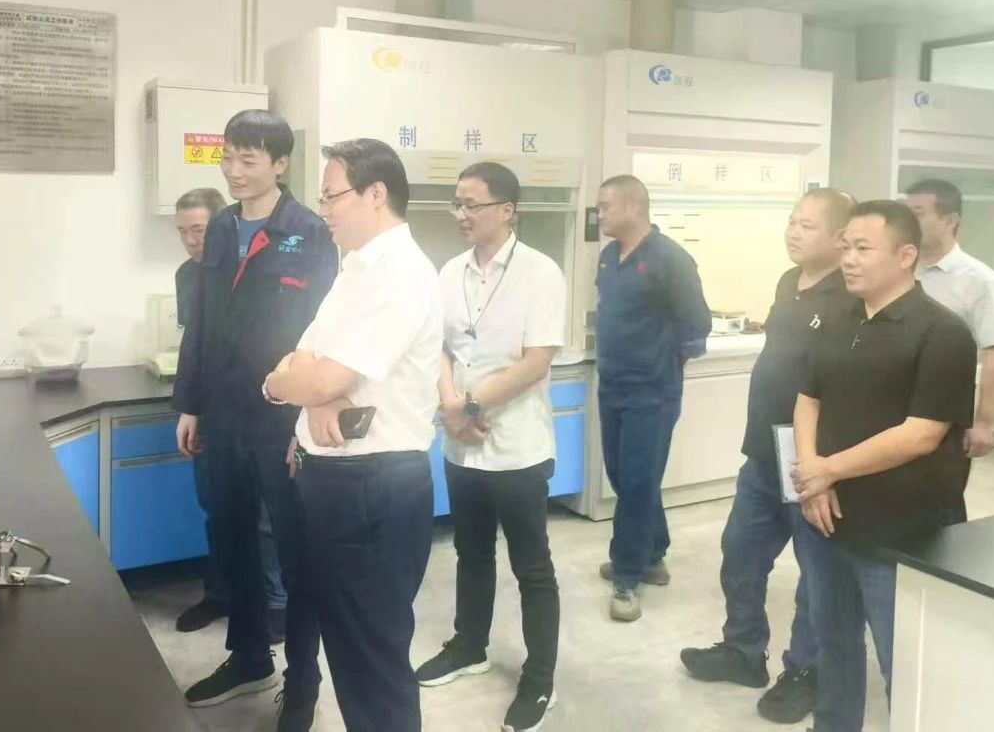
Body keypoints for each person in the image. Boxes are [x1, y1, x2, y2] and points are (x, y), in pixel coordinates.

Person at [263, 139, 442, 732]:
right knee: (350, 645)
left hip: (373, 484)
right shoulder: (357, 269)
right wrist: (311, 388)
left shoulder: (400, 274)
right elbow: (303, 354)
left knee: (372, 658)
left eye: (332, 196)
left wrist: (287, 385)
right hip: (337, 480)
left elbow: (317, 373)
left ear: (376, 194)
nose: (324, 211)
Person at [171, 111, 339, 730]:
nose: (235, 171)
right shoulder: (220, 228)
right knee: (233, 539)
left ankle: (302, 682)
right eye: (228, 158)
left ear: (280, 163)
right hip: (222, 413)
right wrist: (190, 404)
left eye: (249, 159)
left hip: (281, 419)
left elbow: (324, 331)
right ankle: (247, 658)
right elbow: (202, 323)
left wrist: (310, 414)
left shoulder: (309, 232)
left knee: (295, 552)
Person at [792, 200, 975, 732]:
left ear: (905, 255)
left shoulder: (941, 333)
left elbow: (921, 434)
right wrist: (813, 475)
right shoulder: (836, 318)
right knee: (834, 643)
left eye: (863, 248)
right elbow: (807, 398)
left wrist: (828, 470)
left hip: (900, 531)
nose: (848, 259)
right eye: (846, 246)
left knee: (906, 661)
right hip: (826, 518)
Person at [679, 188, 856, 725]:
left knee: (815, 573)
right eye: (792, 222)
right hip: (763, 450)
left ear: (840, 238)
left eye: (807, 226)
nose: (793, 232)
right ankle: (742, 650)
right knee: (741, 552)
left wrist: (824, 465)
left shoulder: (850, 298)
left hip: (811, 455)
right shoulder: (787, 282)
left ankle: (806, 671)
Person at [413, 162, 566, 732]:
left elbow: (536, 361)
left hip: (517, 447)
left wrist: (467, 406)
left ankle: (540, 678)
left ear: (507, 209)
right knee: (471, 553)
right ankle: (470, 646)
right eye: (457, 203)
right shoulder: (450, 271)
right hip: (462, 447)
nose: (462, 213)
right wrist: (451, 406)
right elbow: (439, 347)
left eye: (472, 203)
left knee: (532, 567)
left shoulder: (540, 273)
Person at [593, 174, 711, 622]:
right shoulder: (608, 257)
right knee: (624, 477)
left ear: (633, 207)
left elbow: (696, 326)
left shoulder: (671, 259)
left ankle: (627, 576)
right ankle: (653, 552)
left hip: (652, 391)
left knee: (638, 482)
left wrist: (663, 368)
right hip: (612, 384)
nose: (599, 215)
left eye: (605, 207)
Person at [172, 187, 286, 641]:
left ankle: (275, 602)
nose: (191, 241)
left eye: (199, 230)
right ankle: (219, 594)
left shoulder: (258, 270)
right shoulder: (188, 275)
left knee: (264, 516)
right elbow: (193, 345)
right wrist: (190, 407)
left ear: (222, 227)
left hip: (261, 410)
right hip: (213, 411)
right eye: (183, 232)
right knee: (216, 508)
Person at [905, 179, 994, 459]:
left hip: (946, 413)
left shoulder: (979, 280)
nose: (907, 222)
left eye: (917, 214)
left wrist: (984, 421)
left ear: (950, 221)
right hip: (895, 407)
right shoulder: (899, 269)